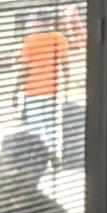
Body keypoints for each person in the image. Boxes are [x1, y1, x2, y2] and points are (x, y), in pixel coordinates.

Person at [13, 12, 69, 161]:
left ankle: (36, 157)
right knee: (52, 127)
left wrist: (15, 91)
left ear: (39, 22)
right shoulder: (60, 39)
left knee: (35, 127)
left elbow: (24, 69)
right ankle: (54, 155)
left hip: (33, 91)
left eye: (34, 22)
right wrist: (66, 86)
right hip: (52, 90)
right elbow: (65, 65)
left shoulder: (30, 41)